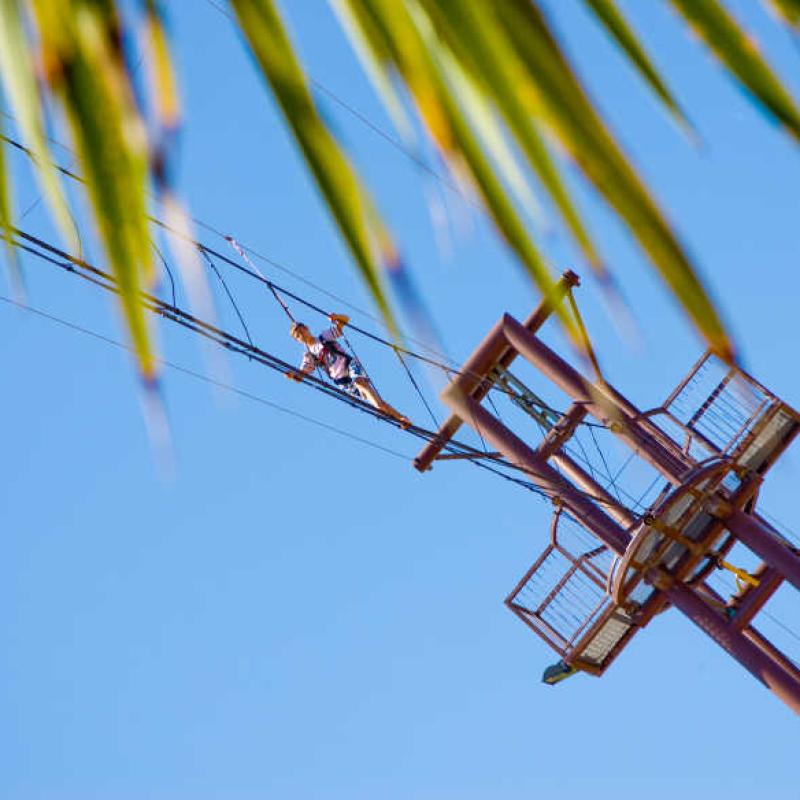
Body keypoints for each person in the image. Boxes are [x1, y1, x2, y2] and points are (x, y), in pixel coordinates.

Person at [286, 313, 411, 428]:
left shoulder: (324, 337)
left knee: (361, 384)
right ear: (297, 341)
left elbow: (345, 321)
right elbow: (303, 374)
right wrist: (294, 376)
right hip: (342, 380)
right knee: (375, 403)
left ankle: (398, 417)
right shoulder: (309, 355)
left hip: (349, 365)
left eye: (301, 331)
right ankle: (402, 419)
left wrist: (336, 317)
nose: (300, 335)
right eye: (297, 336)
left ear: (307, 328)